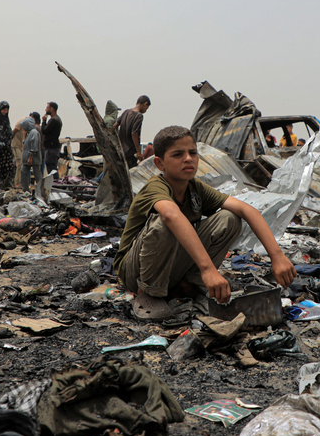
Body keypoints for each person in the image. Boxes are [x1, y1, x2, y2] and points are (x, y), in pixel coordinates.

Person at [114, 125, 297, 319]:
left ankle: (188, 284)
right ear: (160, 164)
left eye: (192, 152)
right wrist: (208, 269)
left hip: (169, 265)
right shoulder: (155, 187)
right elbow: (171, 216)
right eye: (177, 154)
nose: (188, 158)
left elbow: (246, 209)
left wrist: (277, 256)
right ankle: (148, 293)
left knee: (229, 218)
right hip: (134, 272)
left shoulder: (195, 188)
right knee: (166, 222)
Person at [115, 95, 151, 168]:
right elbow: (134, 133)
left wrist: (117, 140)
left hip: (121, 150)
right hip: (130, 152)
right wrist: (138, 152)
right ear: (145, 103)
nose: (146, 110)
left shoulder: (126, 112)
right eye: (147, 108)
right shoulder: (139, 116)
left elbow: (115, 126)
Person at [20, 117, 43, 199]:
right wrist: (24, 135)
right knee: (24, 172)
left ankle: (41, 191)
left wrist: (30, 157)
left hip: (33, 159)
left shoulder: (34, 132)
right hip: (28, 159)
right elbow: (26, 144)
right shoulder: (29, 133)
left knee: (37, 175)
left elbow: (34, 146)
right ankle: (26, 190)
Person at [41, 101, 63, 179]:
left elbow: (44, 131)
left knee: (51, 167)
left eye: (47, 107)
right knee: (51, 166)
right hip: (52, 147)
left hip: (52, 148)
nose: (45, 109)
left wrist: (43, 121)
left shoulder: (53, 120)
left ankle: (56, 184)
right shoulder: (57, 119)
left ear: (52, 109)